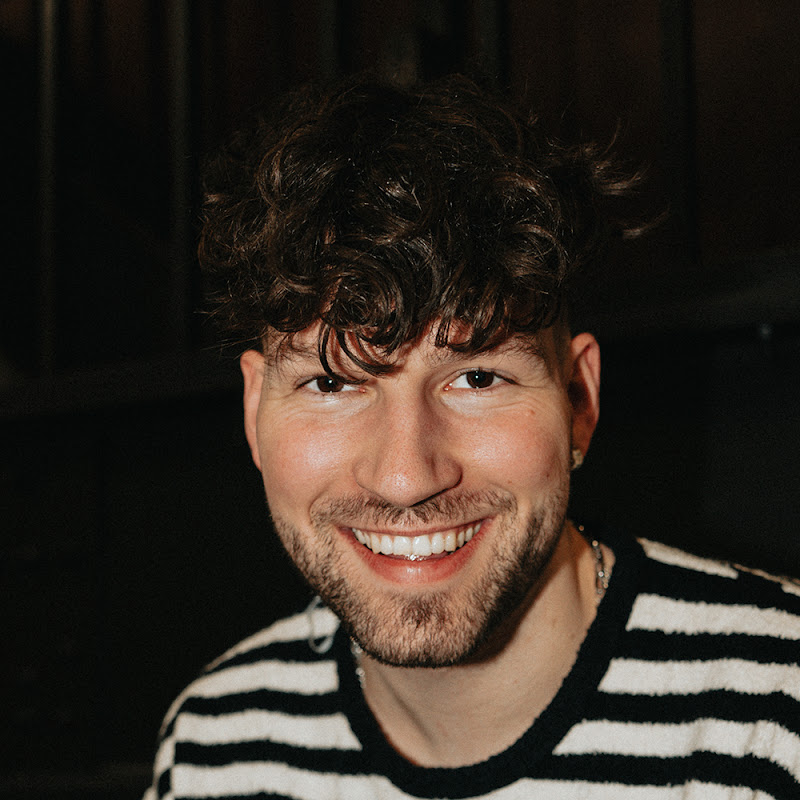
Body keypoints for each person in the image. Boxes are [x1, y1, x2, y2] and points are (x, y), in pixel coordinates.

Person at [144, 76, 800, 799]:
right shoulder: (214, 746)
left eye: (478, 378)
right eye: (330, 383)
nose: (405, 478)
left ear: (579, 400)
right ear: (253, 413)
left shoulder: (776, 709)